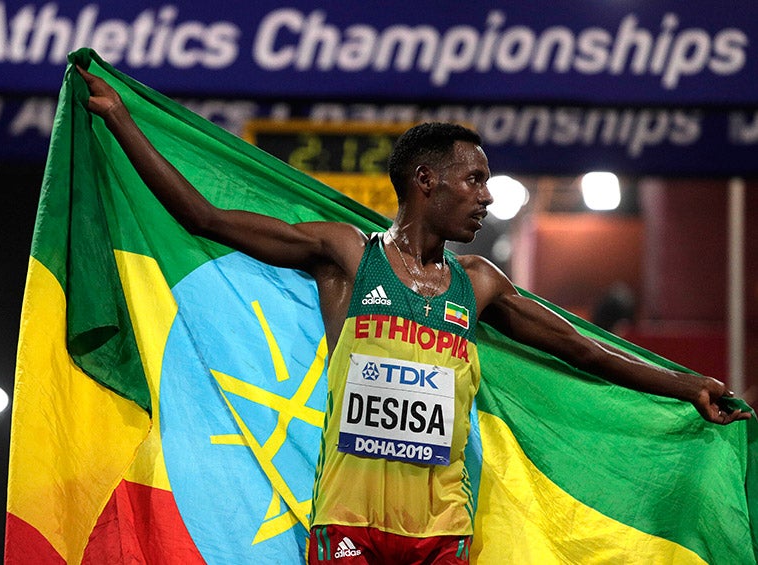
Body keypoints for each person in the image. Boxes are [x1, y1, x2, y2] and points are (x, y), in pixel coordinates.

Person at [75, 66, 750, 564]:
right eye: (474, 179)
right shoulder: (346, 255)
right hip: (348, 527)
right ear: (425, 181)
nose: (486, 196)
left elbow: (583, 349)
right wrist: (122, 119)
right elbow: (205, 217)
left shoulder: (478, 283)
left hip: (440, 536)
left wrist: (685, 384)